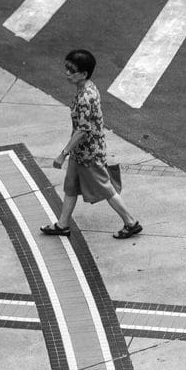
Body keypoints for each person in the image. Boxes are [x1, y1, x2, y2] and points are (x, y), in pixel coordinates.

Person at [41, 50, 143, 240]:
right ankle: (62, 225)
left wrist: (63, 154)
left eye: (72, 70)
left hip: (89, 155)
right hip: (80, 152)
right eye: (67, 68)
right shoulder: (88, 87)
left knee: (106, 189)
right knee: (70, 186)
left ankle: (131, 223)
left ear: (84, 74)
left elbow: (83, 130)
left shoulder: (85, 97)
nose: (67, 73)